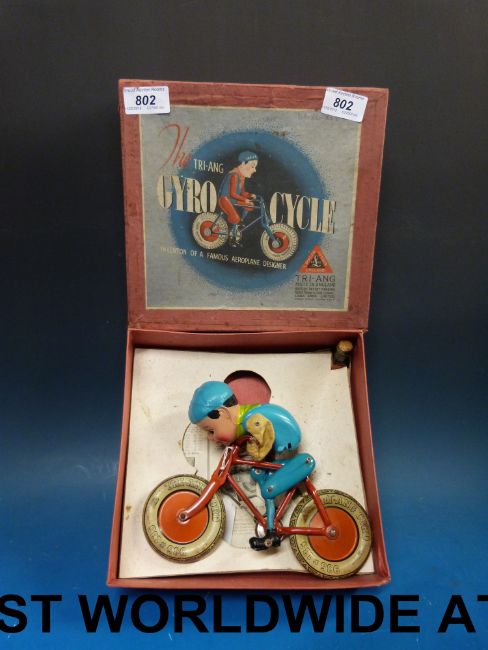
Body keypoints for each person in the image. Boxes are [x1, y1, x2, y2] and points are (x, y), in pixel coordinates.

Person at [188, 381, 316, 550]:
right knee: (257, 472)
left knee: (268, 489)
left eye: (211, 430)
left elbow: (265, 437)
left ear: (222, 413)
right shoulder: (244, 420)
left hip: (286, 441)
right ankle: (270, 525)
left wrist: (255, 448)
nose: (210, 437)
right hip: (279, 443)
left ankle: (272, 533)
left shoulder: (251, 420)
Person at [218, 151, 258, 245]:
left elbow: (242, 192)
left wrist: (249, 195)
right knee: (235, 218)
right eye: (252, 166)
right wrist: (244, 199)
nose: (255, 170)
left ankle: (241, 222)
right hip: (225, 199)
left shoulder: (241, 176)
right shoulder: (234, 175)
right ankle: (232, 238)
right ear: (243, 163)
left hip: (233, 200)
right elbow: (232, 194)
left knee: (250, 205)